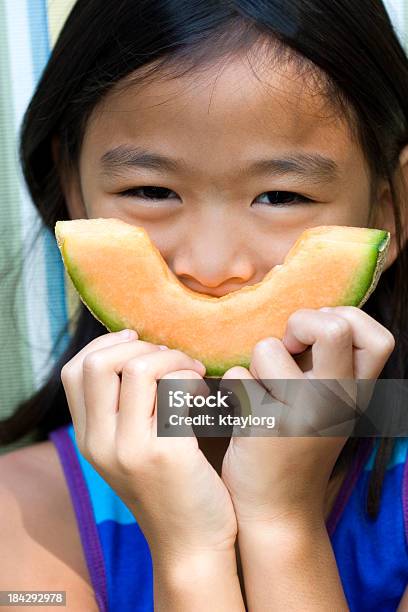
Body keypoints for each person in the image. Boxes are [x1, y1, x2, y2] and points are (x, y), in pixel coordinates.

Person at [1, 0, 408, 610]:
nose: (213, 270)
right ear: (72, 193)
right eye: (150, 190)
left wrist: (282, 524)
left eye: (279, 195)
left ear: (388, 208)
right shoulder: (19, 512)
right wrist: (190, 551)